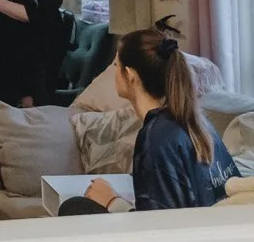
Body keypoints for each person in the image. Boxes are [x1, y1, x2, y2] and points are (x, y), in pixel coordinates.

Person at [62, 20, 238, 215]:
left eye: (116, 65)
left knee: (73, 207)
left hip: (182, 240)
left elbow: (157, 227)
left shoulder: (157, 138)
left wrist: (112, 201)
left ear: (129, 75)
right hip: (213, 234)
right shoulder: (199, 123)